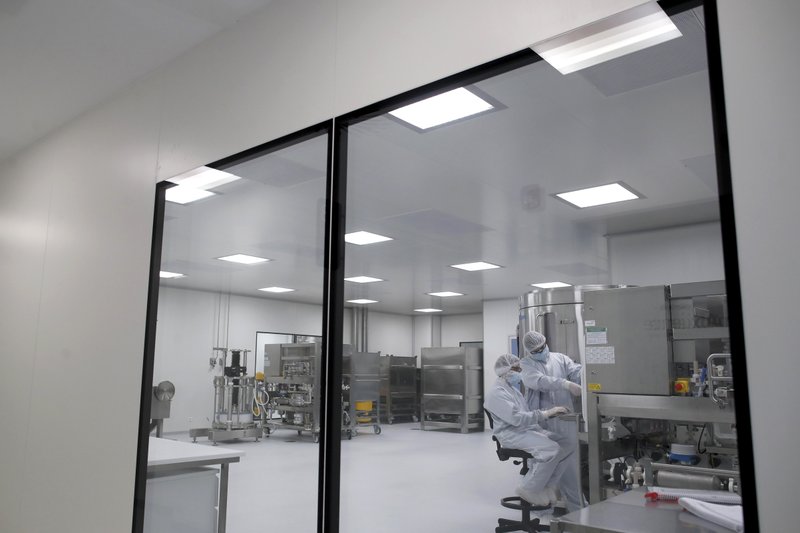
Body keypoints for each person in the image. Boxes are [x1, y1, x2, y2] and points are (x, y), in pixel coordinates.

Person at [484, 353, 570, 507]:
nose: (520, 372)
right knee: (552, 450)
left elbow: (525, 414)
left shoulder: (512, 390)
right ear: (505, 370)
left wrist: (550, 414)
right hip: (511, 434)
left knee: (567, 444)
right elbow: (517, 419)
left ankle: (547, 485)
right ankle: (529, 489)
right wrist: (546, 414)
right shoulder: (497, 393)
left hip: (524, 429)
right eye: (516, 369)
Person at [519, 330, 583, 511]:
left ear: (546, 343)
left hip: (565, 419)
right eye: (536, 350)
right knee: (543, 465)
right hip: (543, 421)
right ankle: (540, 506)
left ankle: (577, 508)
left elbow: (576, 371)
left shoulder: (560, 358)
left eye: (542, 347)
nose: (540, 352)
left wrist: (587, 372)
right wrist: (565, 384)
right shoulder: (526, 364)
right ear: (529, 351)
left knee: (569, 466)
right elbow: (539, 381)